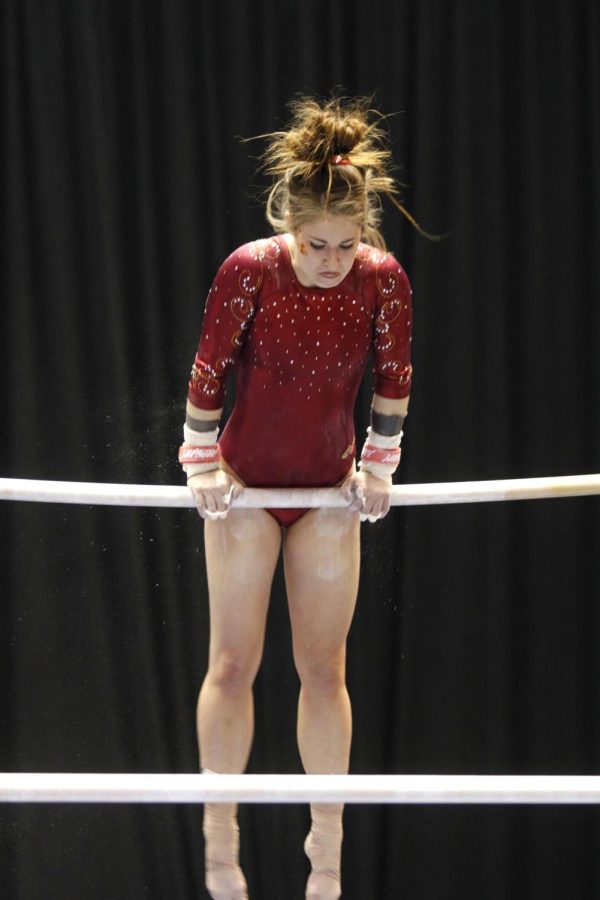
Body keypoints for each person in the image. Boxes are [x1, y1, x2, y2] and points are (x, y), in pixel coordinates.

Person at [180, 96, 413, 900]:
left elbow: (393, 381)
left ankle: (327, 843)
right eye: (317, 245)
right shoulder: (251, 268)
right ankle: (219, 838)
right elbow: (209, 371)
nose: (332, 260)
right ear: (288, 225)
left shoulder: (382, 279)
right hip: (244, 489)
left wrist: (380, 464)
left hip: (326, 491)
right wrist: (202, 465)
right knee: (234, 663)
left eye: (348, 245)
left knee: (323, 670)